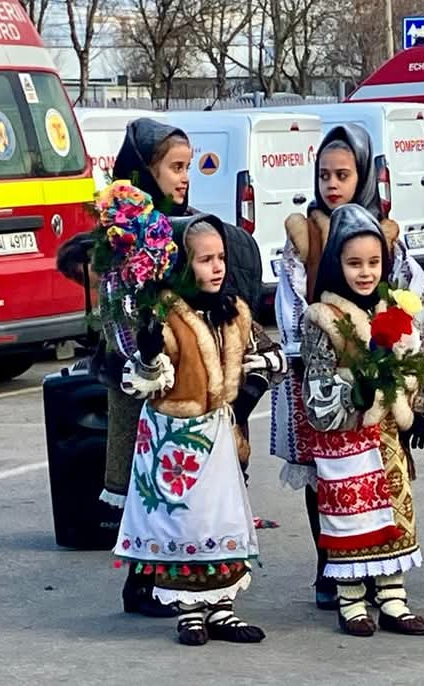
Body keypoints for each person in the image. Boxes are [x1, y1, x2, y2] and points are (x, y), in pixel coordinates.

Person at [57, 119, 264, 617]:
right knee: (146, 487)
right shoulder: (123, 233)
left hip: (196, 380)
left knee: (189, 492)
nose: (184, 177)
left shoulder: (188, 226)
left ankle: (193, 582)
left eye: (188, 167)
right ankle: (143, 583)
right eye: (174, 167)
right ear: (143, 170)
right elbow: (89, 273)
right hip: (141, 385)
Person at [271, 124, 424, 610]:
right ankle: (331, 567)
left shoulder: (384, 233)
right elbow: (290, 304)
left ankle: (384, 566)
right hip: (320, 372)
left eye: (343, 174)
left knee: (383, 475)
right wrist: (323, 340)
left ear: (363, 175)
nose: (331, 184)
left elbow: (417, 295)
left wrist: (393, 322)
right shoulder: (303, 233)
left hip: (381, 375)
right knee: (324, 477)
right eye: (323, 174)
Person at [113, 214, 287, 646]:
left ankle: (222, 609)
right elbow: (143, 378)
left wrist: (247, 393)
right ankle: (189, 611)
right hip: (175, 439)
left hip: (219, 437)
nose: (217, 267)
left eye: (221, 258)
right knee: (183, 524)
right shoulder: (167, 315)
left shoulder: (236, 312)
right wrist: (150, 353)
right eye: (205, 259)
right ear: (181, 265)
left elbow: (273, 356)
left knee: (221, 517)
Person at [298, 204, 424, 636]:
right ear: (335, 265)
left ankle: (393, 598)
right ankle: (351, 599)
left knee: (394, 516)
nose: (365, 272)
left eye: (373, 262)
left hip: (387, 437)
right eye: (353, 263)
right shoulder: (323, 318)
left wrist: (420, 405)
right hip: (345, 438)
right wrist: (355, 392)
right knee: (350, 518)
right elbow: (315, 383)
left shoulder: (394, 311)